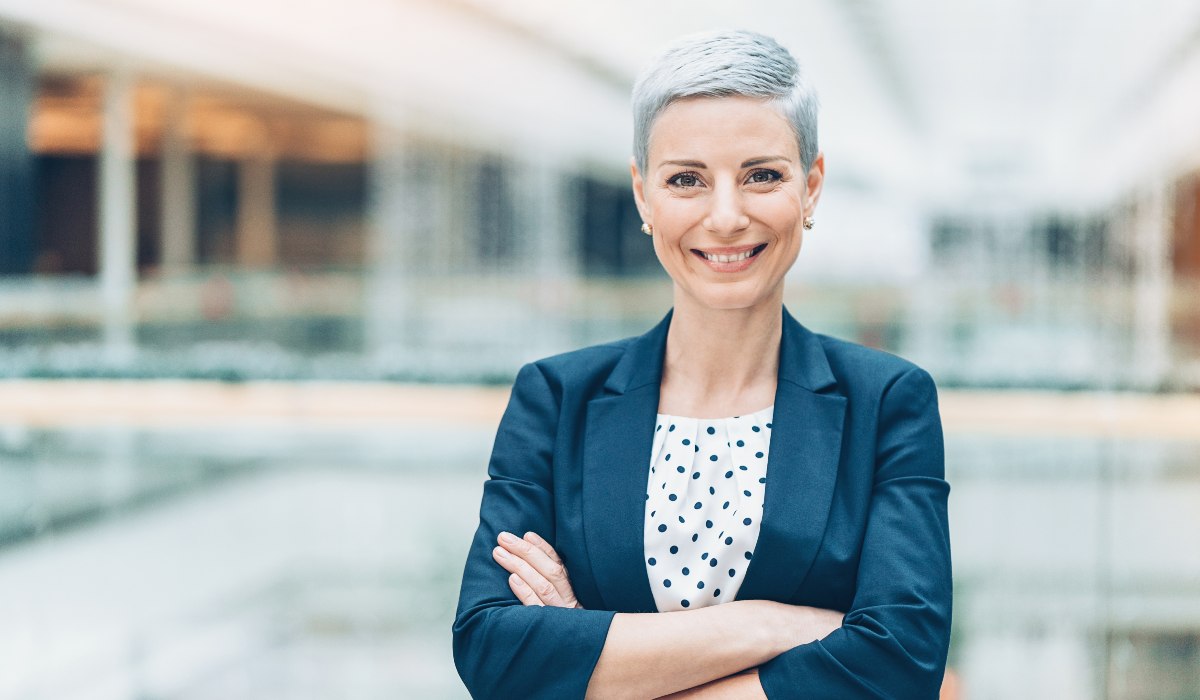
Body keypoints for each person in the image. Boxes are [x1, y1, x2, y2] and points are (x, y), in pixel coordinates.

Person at [453, 29, 951, 699]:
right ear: (642, 196)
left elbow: (902, 662)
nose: (725, 216)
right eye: (686, 179)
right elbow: (493, 651)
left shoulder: (888, 402)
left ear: (811, 187)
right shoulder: (555, 398)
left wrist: (588, 653)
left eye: (762, 175)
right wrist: (776, 625)